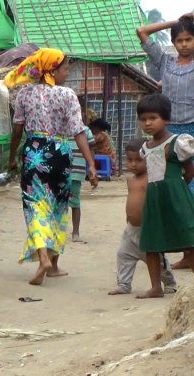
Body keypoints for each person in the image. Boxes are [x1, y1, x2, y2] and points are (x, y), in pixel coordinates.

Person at [4, 48, 98, 286]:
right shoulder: (67, 95)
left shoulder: (24, 95)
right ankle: (53, 266)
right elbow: (78, 132)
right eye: (65, 69)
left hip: (34, 153)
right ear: (53, 69)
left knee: (36, 207)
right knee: (57, 206)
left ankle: (44, 259)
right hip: (61, 153)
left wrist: (12, 157)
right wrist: (90, 164)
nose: (67, 73)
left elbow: (17, 131)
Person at [137, 11, 194, 270]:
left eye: (189, 38)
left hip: (191, 131)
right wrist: (177, 23)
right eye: (179, 40)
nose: (184, 44)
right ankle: (188, 254)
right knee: (172, 190)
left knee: (189, 190)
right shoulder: (165, 62)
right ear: (173, 42)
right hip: (166, 134)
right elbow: (142, 32)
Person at [136, 94, 194, 299]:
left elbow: (189, 171)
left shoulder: (178, 142)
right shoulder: (144, 148)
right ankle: (155, 287)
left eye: (153, 118)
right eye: (143, 119)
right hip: (154, 200)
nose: (148, 123)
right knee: (151, 243)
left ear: (166, 119)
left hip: (177, 197)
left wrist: (176, 188)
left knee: (189, 239)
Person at [108, 138, 178, 296]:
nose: (133, 164)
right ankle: (124, 284)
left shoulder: (153, 179)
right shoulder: (131, 180)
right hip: (131, 230)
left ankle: (170, 283)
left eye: (138, 160)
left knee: (158, 261)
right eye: (129, 160)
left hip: (149, 229)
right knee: (123, 255)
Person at [68, 126, 96, 242]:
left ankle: (75, 232)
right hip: (59, 170)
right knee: (57, 201)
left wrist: (92, 166)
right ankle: (57, 230)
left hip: (76, 170)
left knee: (75, 201)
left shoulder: (85, 130)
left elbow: (91, 149)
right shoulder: (58, 126)